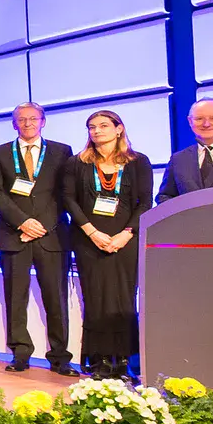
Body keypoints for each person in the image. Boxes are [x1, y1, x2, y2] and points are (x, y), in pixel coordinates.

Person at [0, 103, 78, 376]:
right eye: (21, 120)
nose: (27, 123)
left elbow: (66, 193)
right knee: (15, 298)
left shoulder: (62, 152)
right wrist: (23, 222)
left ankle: (60, 357)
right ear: (14, 124)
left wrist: (42, 225)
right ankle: (20, 353)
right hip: (15, 236)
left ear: (43, 122)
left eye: (32, 119)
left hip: (52, 236)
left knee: (56, 299)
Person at [62, 110, 153, 381]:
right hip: (89, 239)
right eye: (91, 127)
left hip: (125, 240)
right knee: (96, 299)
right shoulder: (77, 163)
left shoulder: (138, 162)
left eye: (103, 126)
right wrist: (91, 232)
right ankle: (98, 360)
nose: (97, 131)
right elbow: (69, 200)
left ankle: (125, 361)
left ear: (119, 129)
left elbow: (145, 202)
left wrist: (127, 233)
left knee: (123, 299)